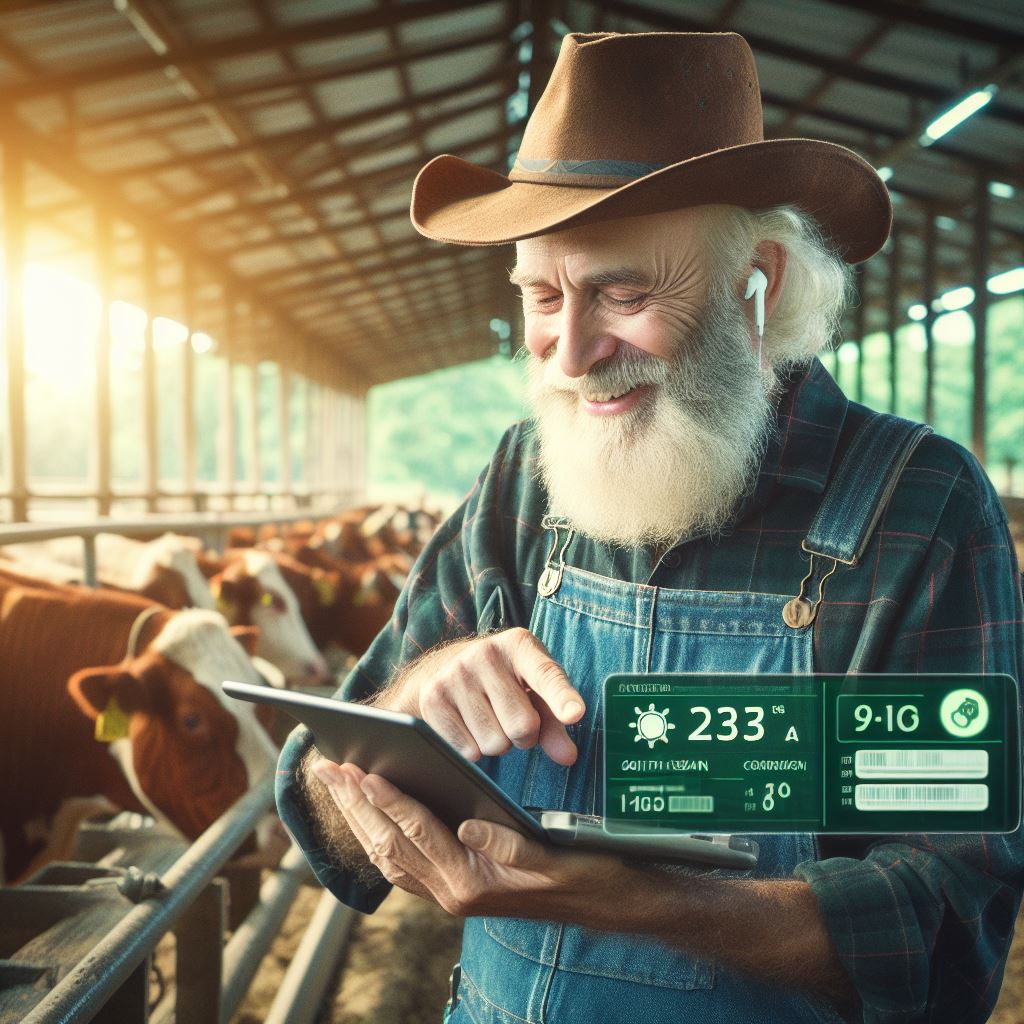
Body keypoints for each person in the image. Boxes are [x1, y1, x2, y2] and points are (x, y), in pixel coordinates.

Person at [276, 31, 1024, 1024]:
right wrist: (414, 697)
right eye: (542, 297)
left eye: (622, 294)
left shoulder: (919, 510)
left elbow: (948, 932)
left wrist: (653, 903)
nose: (573, 354)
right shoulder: (522, 480)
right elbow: (313, 796)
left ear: (753, 285)